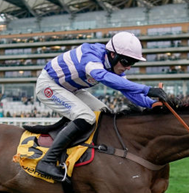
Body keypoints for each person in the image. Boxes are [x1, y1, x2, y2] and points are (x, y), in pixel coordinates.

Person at [34, 31, 168, 181]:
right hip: (49, 86)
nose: (129, 67)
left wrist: (151, 104)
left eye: (132, 63)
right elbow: (102, 76)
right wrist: (147, 89)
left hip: (71, 88)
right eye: (126, 62)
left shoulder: (112, 64)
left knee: (105, 114)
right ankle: (47, 161)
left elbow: (126, 89)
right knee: (86, 116)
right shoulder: (91, 55)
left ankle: (94, 156)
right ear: (113, 55)